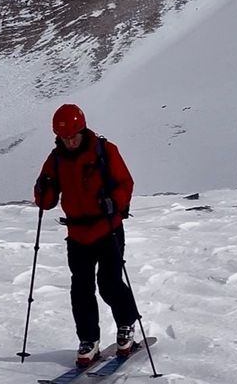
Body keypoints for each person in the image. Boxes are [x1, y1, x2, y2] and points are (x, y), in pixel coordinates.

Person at [34, 104, 139, 367]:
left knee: (109, 282)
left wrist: (115, 201)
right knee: (81, 288)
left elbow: (125, 182)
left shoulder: (105, 150)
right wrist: (43, 190)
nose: (69, 142)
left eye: (73, 136)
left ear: (82, 130)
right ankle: (88, 340)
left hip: (107, 228)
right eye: (64, 138)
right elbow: (45, 200)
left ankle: (126, 323)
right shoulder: (55, 158)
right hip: (77, 233)